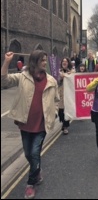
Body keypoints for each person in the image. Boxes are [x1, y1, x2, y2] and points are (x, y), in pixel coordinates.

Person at [1, 50, 59, 199]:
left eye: (46, 60)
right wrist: (7, 61)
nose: (45, 63)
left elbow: (56, 100)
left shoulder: (51, 80)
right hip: (25, 123)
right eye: (42, 61)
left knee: (34, 153)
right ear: (34, 61)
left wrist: (55, 113)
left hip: (42, 125)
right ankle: (37, 171)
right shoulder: (23, 77)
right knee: (28, 154)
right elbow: (4, 81)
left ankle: (30, 184)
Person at [58, 57, 75, 135]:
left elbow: (73, 80)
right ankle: (63, 122)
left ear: (68, 63)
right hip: (60, 93)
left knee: (67, 110)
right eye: (63, 61)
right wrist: (60, 78)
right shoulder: (58, 71)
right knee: (61, 111)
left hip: (68, 93)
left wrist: (69, 75)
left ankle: (65, 126)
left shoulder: (72, 71)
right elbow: (55, 81)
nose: (64, 62)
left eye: (66, 61)